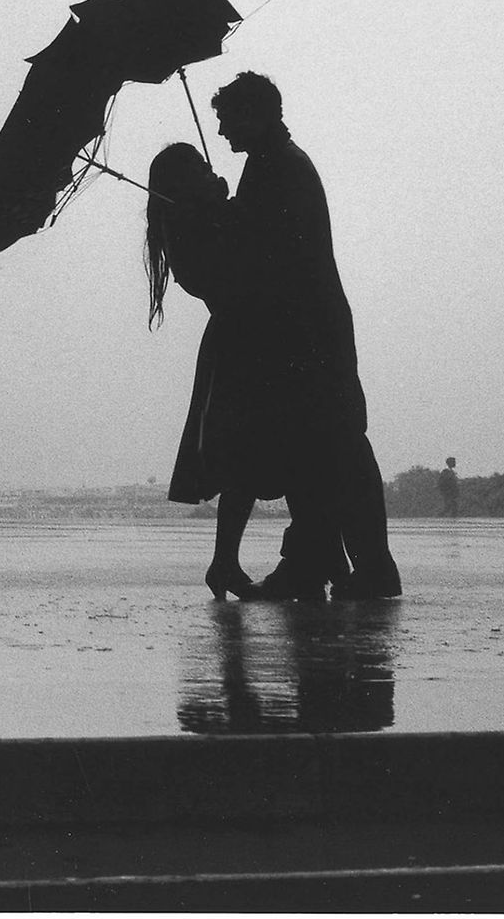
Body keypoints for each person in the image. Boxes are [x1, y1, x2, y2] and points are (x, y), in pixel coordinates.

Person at [211, 72, 399, 601]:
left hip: (305, 335)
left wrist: (226, 219)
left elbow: (272, 256)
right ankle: (330, 563)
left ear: (256, 114)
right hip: (311, 331)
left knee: (326, 448)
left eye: (228, 119)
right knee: (323, 449)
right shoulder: (277, 164)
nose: (222, 131)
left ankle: (342, 565)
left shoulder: (279, 169)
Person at [145, 142, 275, 600]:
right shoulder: (192, 229)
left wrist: (224, 208)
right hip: (241, 347)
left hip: (236, 344)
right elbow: (239, 268)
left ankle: (224, 563)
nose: (211, 172)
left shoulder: (189, 225)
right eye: (201, 169)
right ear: (185, 182)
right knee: (244, 458)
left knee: (245, 459)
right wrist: (227, 210)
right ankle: (224, 563)